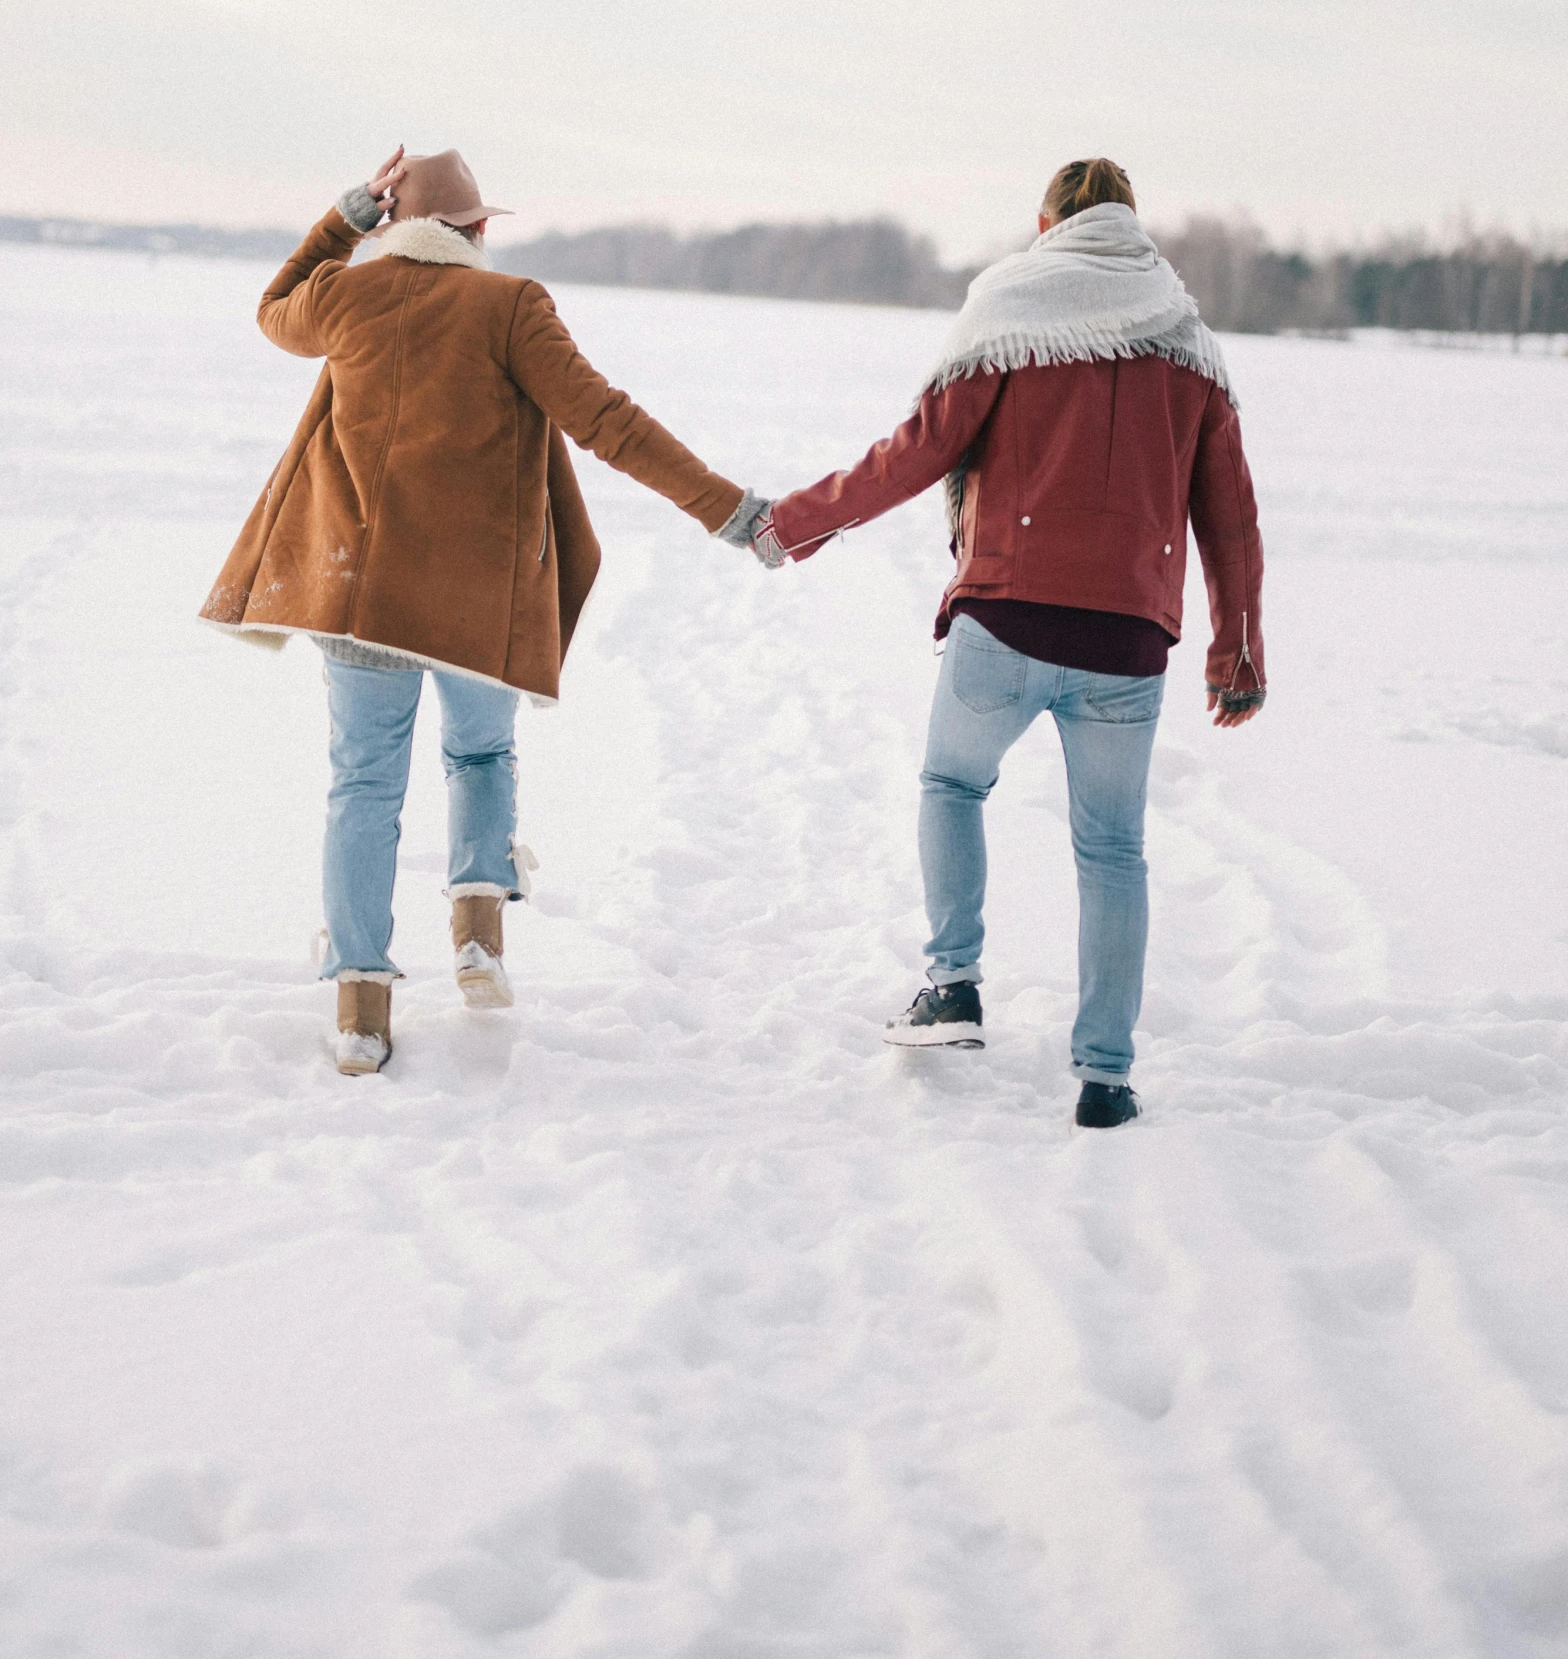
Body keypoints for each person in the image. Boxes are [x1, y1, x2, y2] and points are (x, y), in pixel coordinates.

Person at [202, 148, 764, 1075]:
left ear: (392, 224)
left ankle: (359, 1011)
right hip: (473, 601)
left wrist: (343, 219)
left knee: (364, 790)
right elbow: (608, 422)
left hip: (361, 596)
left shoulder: (345, 296)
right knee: (481, 752)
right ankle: (475, 931)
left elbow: (273, 307)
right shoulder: (511, 307)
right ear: (479, 230)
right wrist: (727, 509)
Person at [737, 159, 1264, 1129]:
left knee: (951, 784)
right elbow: (1227, 517)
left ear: (1045, 224)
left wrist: (795, 522)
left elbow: (916, 452)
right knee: (1111, 850)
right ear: (1134, 229)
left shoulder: (1012, 310)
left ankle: (952, 983)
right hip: (1128, 641)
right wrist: (1235, 644)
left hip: (1006, 616)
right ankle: (1104, 1077)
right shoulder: (1187, 342)